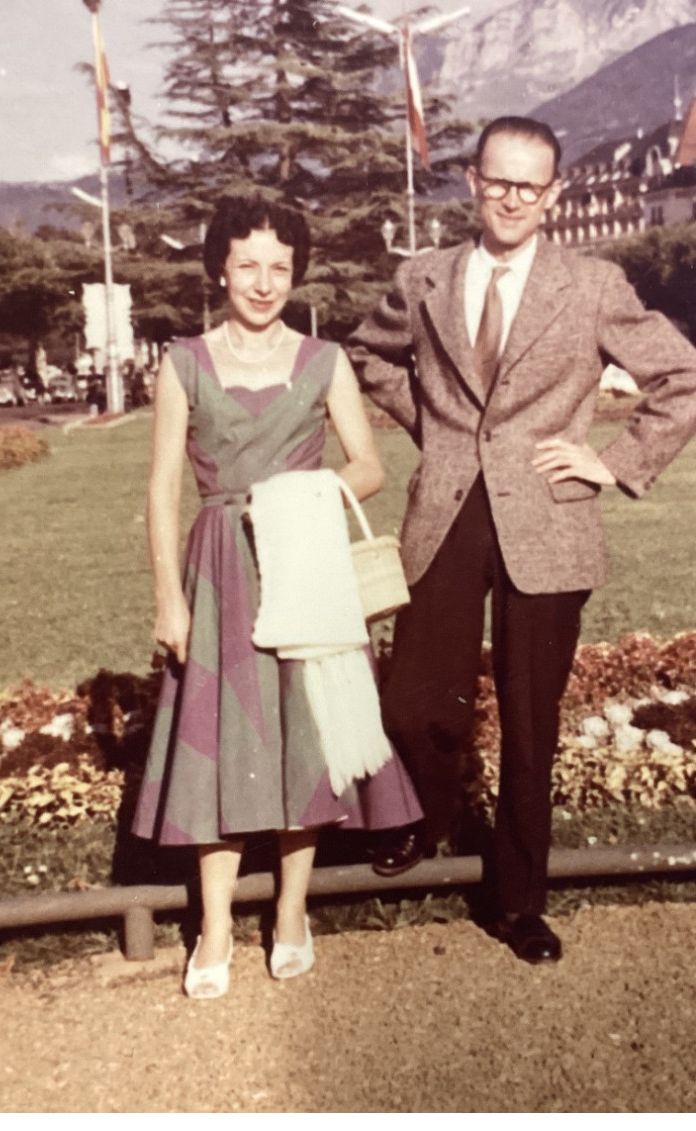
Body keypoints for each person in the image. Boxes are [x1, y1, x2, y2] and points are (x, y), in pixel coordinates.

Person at [346, 117, 696, 964]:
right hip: (445, 510)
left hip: (549, 515)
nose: (512, 198)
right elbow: (367, 356)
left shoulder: (590, 283)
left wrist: (614, 461)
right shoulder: (425, 277)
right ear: (471, 181)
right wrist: (438, 430)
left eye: (530, 185)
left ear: (552, 195)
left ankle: (519, 902)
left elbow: (686, 376)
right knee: (412, 697)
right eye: (498, 180)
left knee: (527, 719)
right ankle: (428, 812)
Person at [132, 194, 422, 998]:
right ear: (219, 266)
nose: (263, 283)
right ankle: (216, 923)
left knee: (304, 736)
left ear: (296, 274)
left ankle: (293, 908)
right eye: (248, 265)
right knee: (218, 743)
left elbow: (369, 465)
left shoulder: (324, 360)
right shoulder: (183, 361)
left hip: (304, 562)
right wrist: (169, 600)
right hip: (220, 567)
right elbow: (161, 490)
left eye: (280, 268)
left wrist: (302, 494)